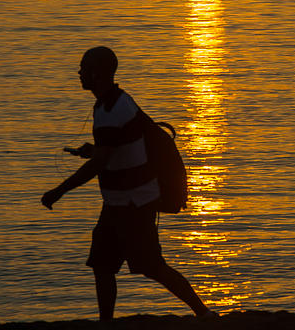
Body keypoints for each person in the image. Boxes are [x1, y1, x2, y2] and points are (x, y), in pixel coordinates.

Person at [41, 46, 216, 322]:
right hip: (119, 203)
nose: (79, 72)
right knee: (102, 264)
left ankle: (204, 313)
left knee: (152, 267)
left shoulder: (112, 109)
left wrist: (59, 191)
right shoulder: (112, 103)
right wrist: (94, 150)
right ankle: (107, 322)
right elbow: (113, 150)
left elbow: (100, 163)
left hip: (134, 204)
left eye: (84, 68)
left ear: (97, 73)